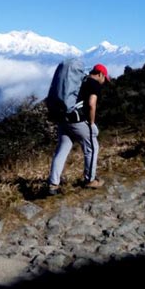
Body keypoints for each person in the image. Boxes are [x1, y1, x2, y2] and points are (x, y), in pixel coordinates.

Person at [47, 63, 110, 195]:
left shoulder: (80, 80)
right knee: (92, 148)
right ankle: (90, 180)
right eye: (105, 78)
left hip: (63, 119)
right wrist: (91, 123)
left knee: (62, 150)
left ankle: (53, 184)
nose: (104, 82)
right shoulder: (94, 84)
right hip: (78, 121)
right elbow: (92, 104)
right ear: (100, 74)